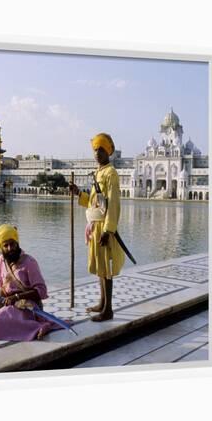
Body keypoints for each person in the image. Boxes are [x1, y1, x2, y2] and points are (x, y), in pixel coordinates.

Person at [69, 133, 125, 322]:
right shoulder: (98, 172)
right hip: (95, 226)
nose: (97, 153)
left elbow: (113, 204)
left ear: (108, 151)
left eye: (101, 149)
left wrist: (109, 231)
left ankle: (108, 309)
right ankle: (102, 302)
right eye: (95, 150)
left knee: (107, 269)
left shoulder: (111, 174)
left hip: (104, 228)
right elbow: (95, 203)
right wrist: (79, 193)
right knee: (101, 267)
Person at [0, 224, 58, 341]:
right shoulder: (1, 260)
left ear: (17, 243)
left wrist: (17, 296)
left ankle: (40, 325)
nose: (10, 248)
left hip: (28, 306)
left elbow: (41, 291)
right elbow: (3, 288)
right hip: (10, 305)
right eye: (6, 245)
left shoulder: (29, 262)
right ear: (1, 248)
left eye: (12, 244)